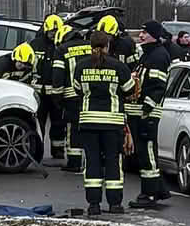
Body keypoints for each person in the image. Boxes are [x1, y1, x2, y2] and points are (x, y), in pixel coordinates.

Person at [72, 30, 129, 215]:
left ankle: (93, 204)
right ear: (108, 46)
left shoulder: (81, 66)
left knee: (92, 161)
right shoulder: (118, 66)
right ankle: (114, 204)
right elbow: (128, 89)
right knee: (113, 161)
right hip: (112, 123)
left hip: (88, 121)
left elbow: (77, 89)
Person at [127, 21, 176, 208]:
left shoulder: (158, 56)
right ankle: (159, 190)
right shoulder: (148, 54)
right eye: (140, 31)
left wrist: (146, 110)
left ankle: (148, 195)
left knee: (147, 155)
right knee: (146, 153)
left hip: (147, 115)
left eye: (144, 33)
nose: (140, 35)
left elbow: (157, 87)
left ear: (154, 35)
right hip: (140, 113)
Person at [53, 16, 96, 174]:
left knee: (73, 130)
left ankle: (74, 163)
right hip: (91, 95)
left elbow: (58, 76)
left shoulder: (62, 50)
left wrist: (57, 98)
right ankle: (92, 163)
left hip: (71, 97)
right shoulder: (89, 46)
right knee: (91, 128)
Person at [34, 15, 67, 160]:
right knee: (38, 122)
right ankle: (37, 149)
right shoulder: (36, 44)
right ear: (46, 30)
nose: (54, 35)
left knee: (58, 122)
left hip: (56, 92)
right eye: (51, 32)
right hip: (39, 91)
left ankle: (58, 149)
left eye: (56, 31)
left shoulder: (62, 45)